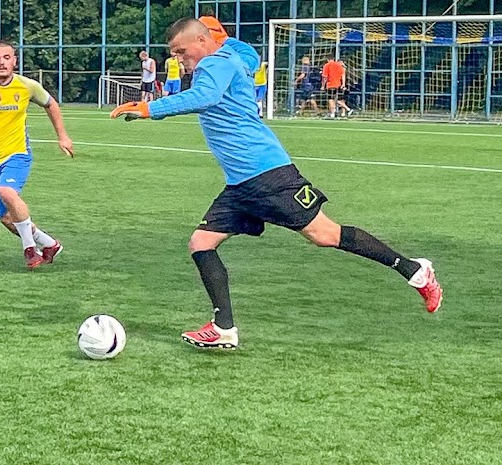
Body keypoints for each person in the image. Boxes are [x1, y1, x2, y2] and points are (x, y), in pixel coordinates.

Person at [110, 18, 442, 350]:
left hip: (267, 174)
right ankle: (223, 328)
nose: (179, 59)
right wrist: (223, 37)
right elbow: (249, 54)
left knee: (325, 235)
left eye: (181, 52)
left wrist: (149, 108)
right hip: (241, 183)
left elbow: (205, 97)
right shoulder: (235, 57)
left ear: (201, 41)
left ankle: (414, 269)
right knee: (201, 243)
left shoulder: (214, 64)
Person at [0, 40, 74, 269]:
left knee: (7, 192)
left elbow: (50, 104)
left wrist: (63, 136)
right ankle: (49, 245)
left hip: (18, 153)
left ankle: (29, 250)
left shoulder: (26, 85)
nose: (2, 63)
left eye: (6, 58)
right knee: (8, 219)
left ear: (14, 61)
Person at [322, 51, 353, 118]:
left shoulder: (327, 65)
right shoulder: (339, 65)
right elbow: (343, 74)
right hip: (338, 85)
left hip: (330, 84)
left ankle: (333, 114)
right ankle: (345, 110)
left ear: (327, 59)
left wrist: (322, 85)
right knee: (337, 100)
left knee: (331, 99)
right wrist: (343, 84)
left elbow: (325, 77)